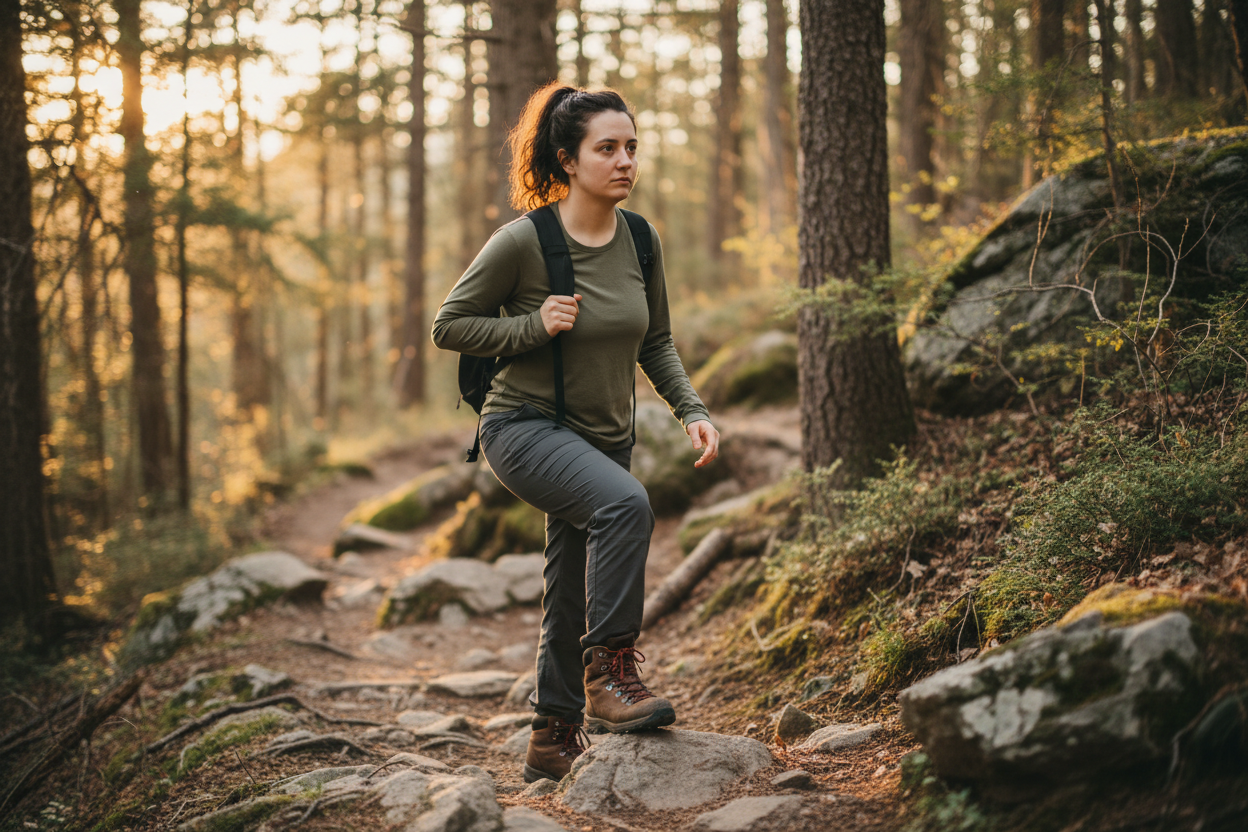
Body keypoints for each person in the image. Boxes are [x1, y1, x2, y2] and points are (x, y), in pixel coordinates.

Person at [431, 82, 719, 783]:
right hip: (524, 428)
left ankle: (551, 738)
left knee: (568, 590)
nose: (625, 162)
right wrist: (533, 324)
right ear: (567, 159)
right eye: (607, 149)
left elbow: (657, 342)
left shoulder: (641, 240)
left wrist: (692, 408)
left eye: (632, 148)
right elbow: (449, 325)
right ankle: (610, 676)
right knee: (626, 504)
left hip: (603, 437)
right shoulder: (524, 242)